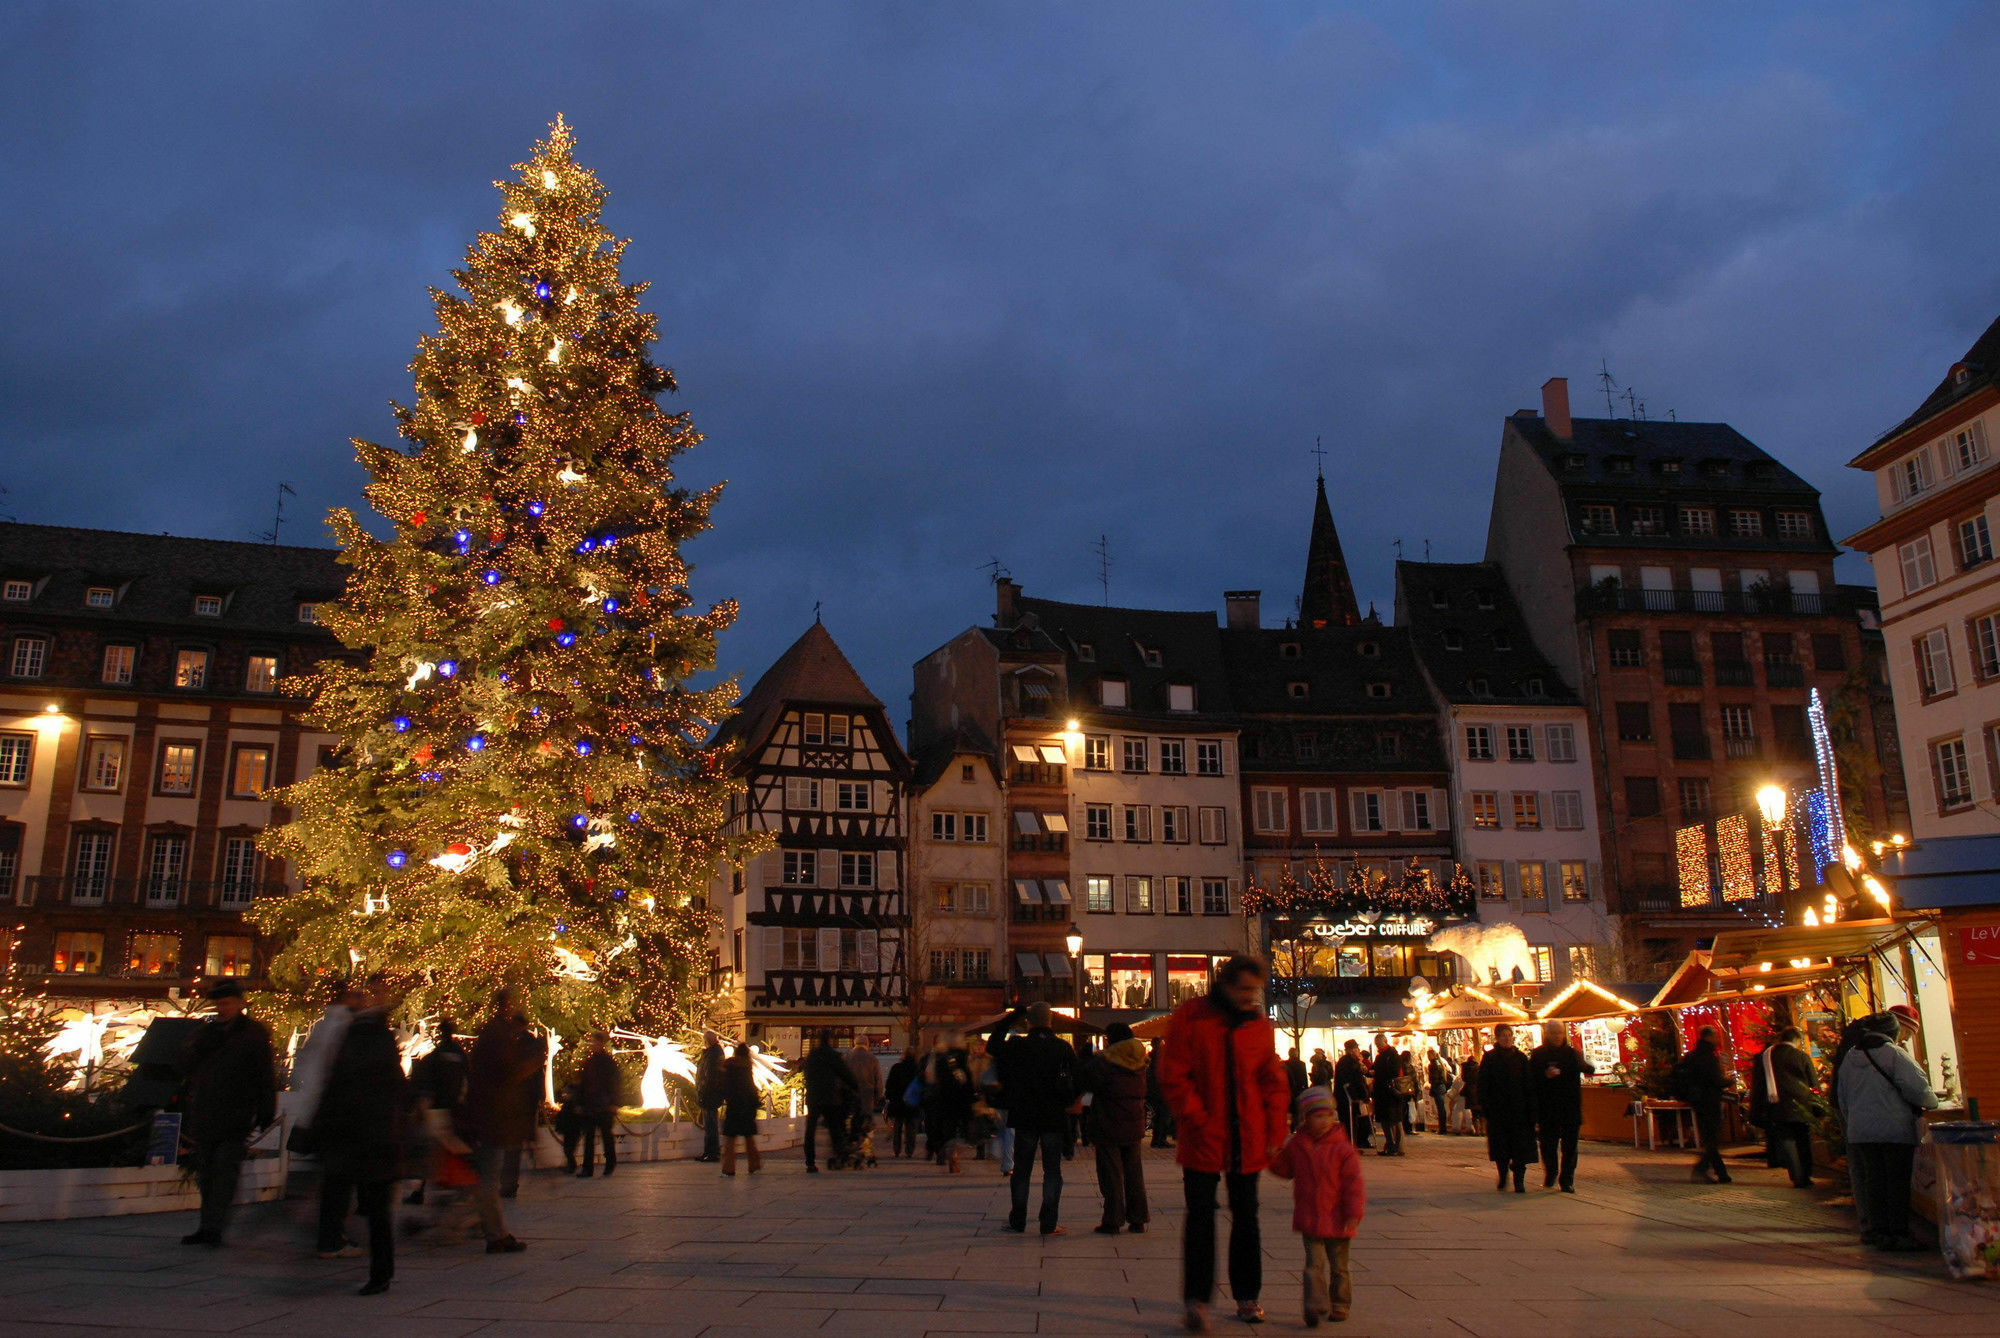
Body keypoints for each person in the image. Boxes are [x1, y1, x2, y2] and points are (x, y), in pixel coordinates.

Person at [1160, 955, 1290, 1333]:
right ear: (1227, 985)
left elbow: (1272, 1081)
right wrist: (1197, 1118)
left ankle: (1247, 1295)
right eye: (1246, 989)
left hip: (1246, 1137)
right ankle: (1198, 1300)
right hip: (1203, 1137)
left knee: (1247, 1216)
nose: (1252, 997)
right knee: (1200, 1217)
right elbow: (1174, 1074)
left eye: (1256, 990)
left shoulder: (1259, 1027)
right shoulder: (1192, 1016)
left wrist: (1274, 1132)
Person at [311, 975, 408, 1296]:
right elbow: (398, 1089)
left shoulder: (354, 1035)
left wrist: (319, 1126)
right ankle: (380, 1271)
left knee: (350, 1197)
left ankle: (344, 1247)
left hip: (353, 1134)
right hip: (375, 1136)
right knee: (376, 1210)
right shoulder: (378, 1038)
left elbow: (334, 1084)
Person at [176, 979, 276, 1247]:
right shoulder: (207, 1033)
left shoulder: (253, 1034)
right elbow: (187, 1065)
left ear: (239, 1004)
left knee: (224, 1170)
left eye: (227, 1003)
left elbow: (264, 1073)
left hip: (236, 1112)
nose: (223, 1008)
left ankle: (214, 1226)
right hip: (207, 1111)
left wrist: (266, 1106)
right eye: (219, 1004)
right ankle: (207, 1224)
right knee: (206, 1172)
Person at [1837, 1007, 1939, 1250]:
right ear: (1892, 1032)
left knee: (1874, 1181)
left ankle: (1879, 1231)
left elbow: (1843, 1096)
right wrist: (1931, 1103)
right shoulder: (1894, 1055)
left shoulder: (1851, 1056)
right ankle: (1899, 1233)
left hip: (1861, 1133)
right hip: (1893, 1129)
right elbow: (1920, 1090)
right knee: (1896, 1182)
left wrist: (1853, 1122)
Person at [1267, 1087, 1365, 1328]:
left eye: (1327, 1116)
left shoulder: (1343, 1149)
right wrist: (1272, 1158)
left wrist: (1354, 1213)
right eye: (1317, 1116)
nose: (1323, 1121)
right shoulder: (1297, 1145)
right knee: (1314, 1265)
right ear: (1305, 1119)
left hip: (1339, 1218)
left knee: (1340, 1267)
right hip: (1310, 1218)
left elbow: (1354, 1185)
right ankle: (1314, 1304)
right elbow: (1285, 1170)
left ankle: (1340, 1304)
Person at [987, 1003, 1078, 1234]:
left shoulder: (1018, 1045)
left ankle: (1018, 1220)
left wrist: (1011, 1017)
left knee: (1022, 1171)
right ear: (1050, 1022)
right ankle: (1048, 1223)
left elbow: (993, 1044)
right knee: (1052, 1171)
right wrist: (1068, 1101)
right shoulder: (1062, 1048)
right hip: (1053, 1117)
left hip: (1024, 1115)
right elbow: (1078, 1079)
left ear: (1029, 1022)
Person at [459, 987, 534, 1253]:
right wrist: (528, 1066)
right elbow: (505, 1075)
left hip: (486, 1116)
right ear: (507, 1005)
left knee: (485, 1176)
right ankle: (494, 1233)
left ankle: (487, 1227)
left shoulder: (493, 1034)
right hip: (491, 1118)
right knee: (487, 1177)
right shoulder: (498, 1035)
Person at [290, 981, 358, 1257]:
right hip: (334, 1113)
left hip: (318, 1111)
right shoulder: (343, 1028)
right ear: (346, 998)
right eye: (356, 995)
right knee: (338, 1179)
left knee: (330, 1176)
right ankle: (330, 1237)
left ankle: (328, 1231)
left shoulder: (322, 1025)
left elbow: (302, 1068)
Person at [1080, 1021, 1150, 1235]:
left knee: (1111, 1174)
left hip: (1109, 1122)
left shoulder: (1105, 1061)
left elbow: (1087, 1080)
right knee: (1134, 1173)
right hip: (1134, 1121)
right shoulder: (1141, 1059)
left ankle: (1113, 1219)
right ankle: (1138, 1219)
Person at [1529, 1026, 1595, 1192]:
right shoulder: (1538, 1055)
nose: (1556, 1036)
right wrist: (1545, 1075)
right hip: (1547, 1108)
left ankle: (1567, 1180)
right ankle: (1551, 1173)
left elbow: (1588, 1068)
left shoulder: (1572, 1054)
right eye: (1553, 1032)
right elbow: (1530, 1078)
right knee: (1547, 1144)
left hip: (1570, 1107)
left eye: (1559, 1032)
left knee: (1570, 1146)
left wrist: (1584, 1066)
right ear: (1547, 1034)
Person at [1754, 1026, 1819, 1189]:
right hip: (1802, 1104)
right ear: (1796, 1039)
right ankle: (1806, 1174)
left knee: (1787, 1139)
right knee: (1803, 1138)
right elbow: (1813, 1082)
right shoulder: (1801, 1056)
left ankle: (1796, 1175)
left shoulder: (1767, 1056)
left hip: (1778, 1104)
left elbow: (1759, 1083)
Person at [1476, 1024, 1535, 1193]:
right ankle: (1503, 1175)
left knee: (1520, 1148)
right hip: (1498, 1111)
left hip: (1519, 1111)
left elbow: (1529, 1085)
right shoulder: (1490, 1058)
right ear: (1497, 1038)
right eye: (1503, 1035)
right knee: (1501, 1147)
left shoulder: (1521, 1058)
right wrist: (1485, 1105)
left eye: (1509, 1035)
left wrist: (1531, 1108)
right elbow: (1483, 1083)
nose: (1507, 1038)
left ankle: (1519, 1180)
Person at [1674, 1025, 1732, 1185]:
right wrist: (1730, 1080)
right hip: (1710, 1101)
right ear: (1708, 1037)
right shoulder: (1707, 1057)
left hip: (1697, 1101)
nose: (1717, 1039)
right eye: (1715, 1036)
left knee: (1710, 1138)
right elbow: (1716, 1080)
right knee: (1712, 1139)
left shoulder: (1691, 1056)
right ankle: (1702, 1170)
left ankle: (1722, 1173)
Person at [801, 1030, 858, 1172]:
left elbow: (806, 1073)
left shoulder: (812, 1055)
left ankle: (810, 1162)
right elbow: (844, 1073)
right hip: (829, 1096)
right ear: (830, 1040)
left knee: (810, 1129)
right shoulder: (832, 1055)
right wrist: (855, 1086)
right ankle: (838, 1156)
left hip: (814, 1096)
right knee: (834, 1127)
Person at [924, 1033, 977, 1171]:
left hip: (942, 1098)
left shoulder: (939, 1058)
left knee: (946, 1127)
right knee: (961, 1128)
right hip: (961, 1098)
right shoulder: (964, 1056)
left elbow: (929, 1077)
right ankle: (954, 1154)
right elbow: (970, 1078)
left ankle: (945, 1149)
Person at [576, 1030, 621, 1178]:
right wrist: (581, 1102)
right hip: (592, 1104)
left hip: (604, 1104)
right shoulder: (591, 1062)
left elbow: (614, 1083)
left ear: (602, 1043)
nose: (593, 1044)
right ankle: (588, 1168)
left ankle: (610, 1163)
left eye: (596, 1042)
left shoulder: (607, 1062)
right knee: (589, 1137)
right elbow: (584, 1084)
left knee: (605, 1135)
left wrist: (613, 1102)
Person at [719, 1042, 764, 1175]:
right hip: (747, 1105)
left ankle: (728, 1167)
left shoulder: (729, 1065)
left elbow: (724, 1083)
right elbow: (750, 1086)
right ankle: (754, 1164)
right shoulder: (747, 1066)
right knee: (749, 1137)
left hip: (734, 1104)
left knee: (730, 1138)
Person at [1369, 1033, 1408, 1157]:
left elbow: (1392, 1071)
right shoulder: (1383, 1055)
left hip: (1389, 1093)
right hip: (1385, 1093)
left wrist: (1376, 1072)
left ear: (1384, 1042)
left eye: (1379, 1044)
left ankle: (1393, 1146)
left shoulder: (1390, 1055)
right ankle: (1391, 1145)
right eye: (1376, 1044)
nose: (1377, 1046)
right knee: (1389, 1120)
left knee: (1392, 1120)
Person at [846, 1041, 883, 1166]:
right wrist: (878, 1096)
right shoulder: (871, 1058)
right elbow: (878, 1079)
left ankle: (853, 1147)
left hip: (851, 1095)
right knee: (866, 1124)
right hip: (867, 1096)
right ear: (867, 1044)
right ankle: (866, 1150)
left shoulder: (848, 1057)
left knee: (853, 1122)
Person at [1333, 1040, 1372, 1150]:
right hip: (1347, 1098)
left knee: (1351, 1122)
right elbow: (1354, 1081)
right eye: (1356, 1049)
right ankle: (1349, 1146)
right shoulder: (1348, 1062)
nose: (1358, 1052)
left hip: (1346, 1097)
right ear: (1352, 1050)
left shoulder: (1347, 1062)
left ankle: (1351, 1145)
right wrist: (1361, 1095)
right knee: (1349, 1123)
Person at [883, 1047, 921, 1159]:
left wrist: (890, 1097)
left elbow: (889, 1085)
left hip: (898, 1103)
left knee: (897, 1128)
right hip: (912, 1104)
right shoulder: (917, 1069)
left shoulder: (896, 1068)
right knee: (911, 1129)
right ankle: (909, 1150)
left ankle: (897, 1150)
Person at [694, 1033, 726, 1163]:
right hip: (709, 1093)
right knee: (710, 1124)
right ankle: (710, 1152)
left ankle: (712, 1152)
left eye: (705, 1040)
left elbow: (710, 1076)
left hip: (710, 1094)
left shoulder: (713, 1055)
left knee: (711, 1124)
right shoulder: (712, 1053)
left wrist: (703, 1090)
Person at [1146, 1041, 1176, 1148]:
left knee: (1159, 1117)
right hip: (1162, 1093)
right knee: (1163, 1116)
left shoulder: (1152, 1063)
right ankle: (1160, 1140)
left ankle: (1157, 1139)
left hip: (1155, 1093)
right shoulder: (1162, 1062)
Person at [1284, 1046, 1310, 1128]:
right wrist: (1305, 1089)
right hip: (1299, 1089)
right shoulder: (1301, 1064)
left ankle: (1291, 1126)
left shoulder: (1285, 1064)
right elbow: (1304, 1078)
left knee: (1290, 1109)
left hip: (1289, 1090)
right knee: (1298, 1109)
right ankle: (1298, 1125)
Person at [1426, 1051, 1451, 1134]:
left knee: (1440, 1108)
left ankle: (1442, 1129)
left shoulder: (1433, 1065)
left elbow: (1434, 1077)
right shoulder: (1439, 1063)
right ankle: (1443, 1127)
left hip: (1437, 1087)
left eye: (1429, 1055)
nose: (1428, 1057)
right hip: (1441, 1087)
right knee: (1441, 1108)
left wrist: (1432, 1082)